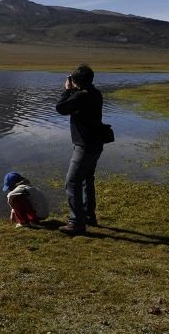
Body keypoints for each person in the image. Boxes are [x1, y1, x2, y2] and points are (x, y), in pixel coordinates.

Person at [55, 64, 104, 235]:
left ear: (76, 81)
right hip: (96, 144)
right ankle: (89, 216)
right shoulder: (95, 94)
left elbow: (60, 108)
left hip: (84, 146)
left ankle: (76, 222)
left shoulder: (80, 97)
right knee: (86, 179)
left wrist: (67, 90)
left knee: (72, 181)